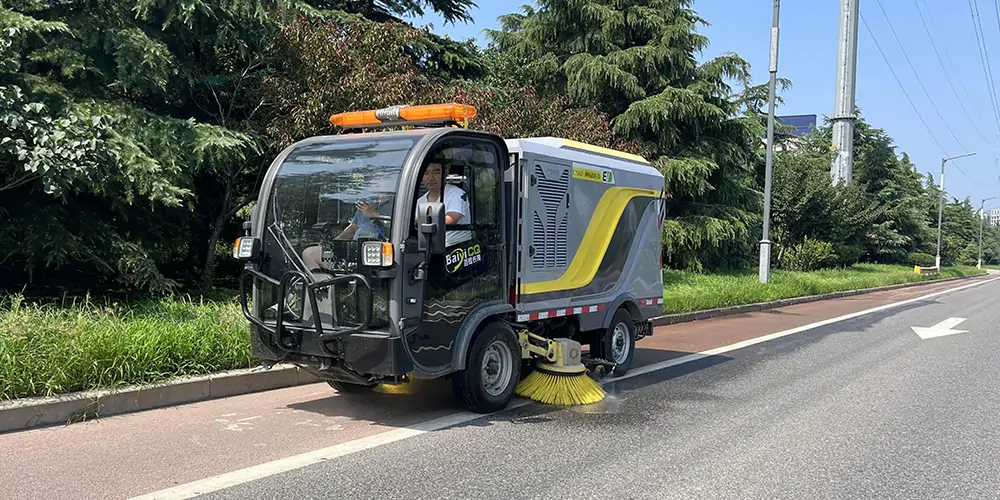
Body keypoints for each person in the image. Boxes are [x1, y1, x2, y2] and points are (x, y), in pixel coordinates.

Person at [301, 195, 391, 271]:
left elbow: (394, 227)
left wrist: (375, 215)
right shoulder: (367, 204)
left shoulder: (395, 203)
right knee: (309, 254)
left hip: (375, 255)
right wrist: (334, 243)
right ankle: (322, 284)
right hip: (351, 252)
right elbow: (352, 228)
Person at [414, 160, 471, 248]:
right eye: (426, 173)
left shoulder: (457, 194)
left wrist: (418, 219)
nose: (431, 178)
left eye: (436, 172)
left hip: (456, 248)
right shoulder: (420, 201)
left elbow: (450, 220)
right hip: (430, 248)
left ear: (445, 173)